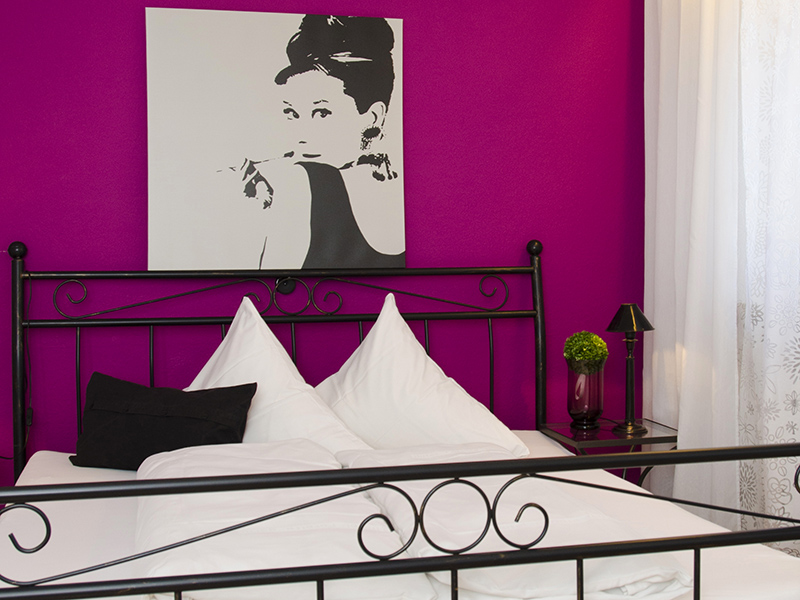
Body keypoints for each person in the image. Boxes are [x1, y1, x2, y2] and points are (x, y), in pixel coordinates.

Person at [238, 15, 405, 269]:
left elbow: (267, 287)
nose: (301, 135)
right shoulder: (396, 190)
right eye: (292, 113)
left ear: (373, 117)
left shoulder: (298, 182)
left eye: (322, 113)